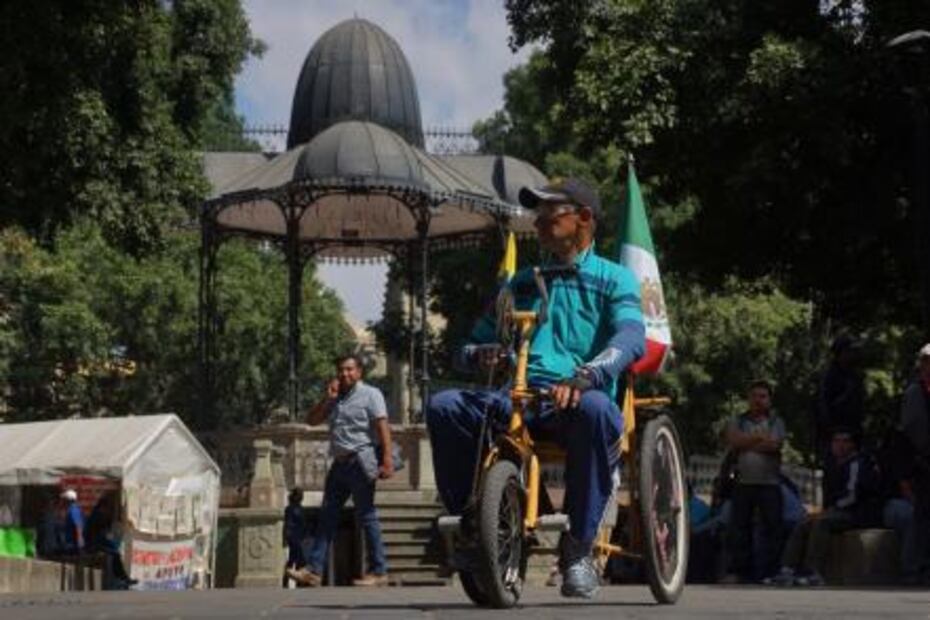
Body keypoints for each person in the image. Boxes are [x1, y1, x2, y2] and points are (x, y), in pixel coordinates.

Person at [426, 177, 646, 599]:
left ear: (584, 219)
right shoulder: (522, 282)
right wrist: (481, 354)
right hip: (516, 397)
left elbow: (631, 339)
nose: (540, 223)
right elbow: (468, 346)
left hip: (577, 396)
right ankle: (471, 526)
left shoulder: (615, 279)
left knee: (598, 412)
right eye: (537, 215)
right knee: (445, 406)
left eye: (550, 214)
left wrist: (585, 378)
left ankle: (578, 550)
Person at [293, 354, 393, 587]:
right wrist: (327, 399)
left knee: (366, 515)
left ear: (359, 372)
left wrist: (386, 459)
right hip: (339, 464)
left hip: (360, 461)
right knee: (327, 515)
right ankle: (314, 571)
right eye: (341, 370)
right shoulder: (336, 397)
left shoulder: (371, 394)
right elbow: (312, 420)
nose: (344, 374)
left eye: (349, 369)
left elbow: (383, 427)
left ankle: (379, 570)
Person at [770, 427, 881, 586]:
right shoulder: (832, 465)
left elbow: (853, 496)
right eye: (836, 441)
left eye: (845, 441)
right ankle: (787, 569)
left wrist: (828, 511)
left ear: (852, 445)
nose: (840, 445)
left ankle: (813, 571)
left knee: (821, 523)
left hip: (856, 512)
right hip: (836, 510)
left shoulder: (857, 464)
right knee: (804, 522)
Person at [722, 380, 785, 583]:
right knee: (739, 529)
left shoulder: (776, 421)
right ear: (748, 399)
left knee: (773, 529)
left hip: (770, 483)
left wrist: (746, 442)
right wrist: (759, 439)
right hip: (743, 483)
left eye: (763, 396)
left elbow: (774, 445)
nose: (758, 400)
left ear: (769, 399)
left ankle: (770, 572)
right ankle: (741, 572)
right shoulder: (737, 420)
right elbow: (733, 440)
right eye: (755, 396)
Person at [895, 343, 930, 583]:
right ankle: (915, 569)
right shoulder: (915, 393)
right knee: (923, 518)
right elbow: (916, 432)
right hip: (923, 465)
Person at [814, 335, 865, 462]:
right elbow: (823, 406)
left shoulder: (855, 375)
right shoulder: (831, 376)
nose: (853, 355)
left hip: (853, 431)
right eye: (849, 351)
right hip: (835, 432)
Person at [84, 492, 136, 589]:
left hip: (97, 542)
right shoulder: (98, 516)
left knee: (114, 553)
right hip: (93, 544)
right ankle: (122, 577)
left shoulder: (97, 515)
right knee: (114, 554)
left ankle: (122, 578)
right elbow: (99, 535)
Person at [283, 488, 309, 584]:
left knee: (293, 558)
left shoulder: (301, 509)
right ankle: (300, 579)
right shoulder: (290, 509)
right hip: (293, 537)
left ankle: (287, 579)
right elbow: (288, 524)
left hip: (298, 537)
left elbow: (304, 524)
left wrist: (305, 535)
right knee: (300, 559)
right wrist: (286, 538)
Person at [60, 489, 85, 555]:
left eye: (64, 499)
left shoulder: (73, 510)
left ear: (68, 500)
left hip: (72, 544)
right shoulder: (70, 509)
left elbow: (78, 525)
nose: (62, 501)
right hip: (70, 543)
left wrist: (79, 539)